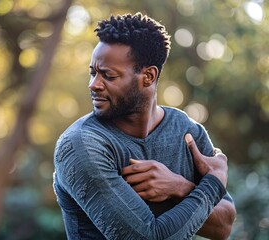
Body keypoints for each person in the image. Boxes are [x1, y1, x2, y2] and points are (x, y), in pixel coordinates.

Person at [53, 12, 236, 239]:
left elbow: (224, 225)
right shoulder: (81, 146)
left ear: (148, 76)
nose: (93, 85)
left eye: (108, 76)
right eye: (93, 73)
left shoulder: (188, 132)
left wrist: (180, 188)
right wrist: (212, 183)